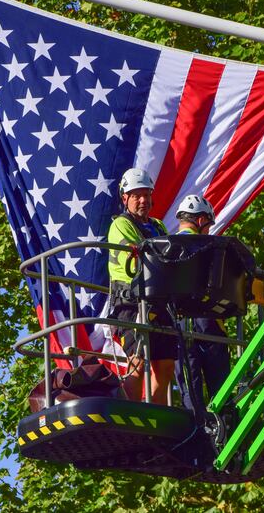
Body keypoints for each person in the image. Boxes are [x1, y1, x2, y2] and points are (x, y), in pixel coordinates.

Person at [107, 168, 176, 404]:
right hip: (130, 303)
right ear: (125, 198)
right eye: (136, 195)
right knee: (137, 362)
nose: (143, 200)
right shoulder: (121, 225)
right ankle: (132, 415)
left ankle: (157, 417)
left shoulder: (158, 226)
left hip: (158, 301)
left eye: (146, 194)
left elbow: (171, 254)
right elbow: (142, 256)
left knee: (165, 365)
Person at [172, 195, 231, 422]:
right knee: (221, 389)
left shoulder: (166, 247)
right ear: (201, 220)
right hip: (207, 322)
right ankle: (224, 428)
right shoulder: (208, 246)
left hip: (176, 324)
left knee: (189, 388)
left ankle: (195, 428)